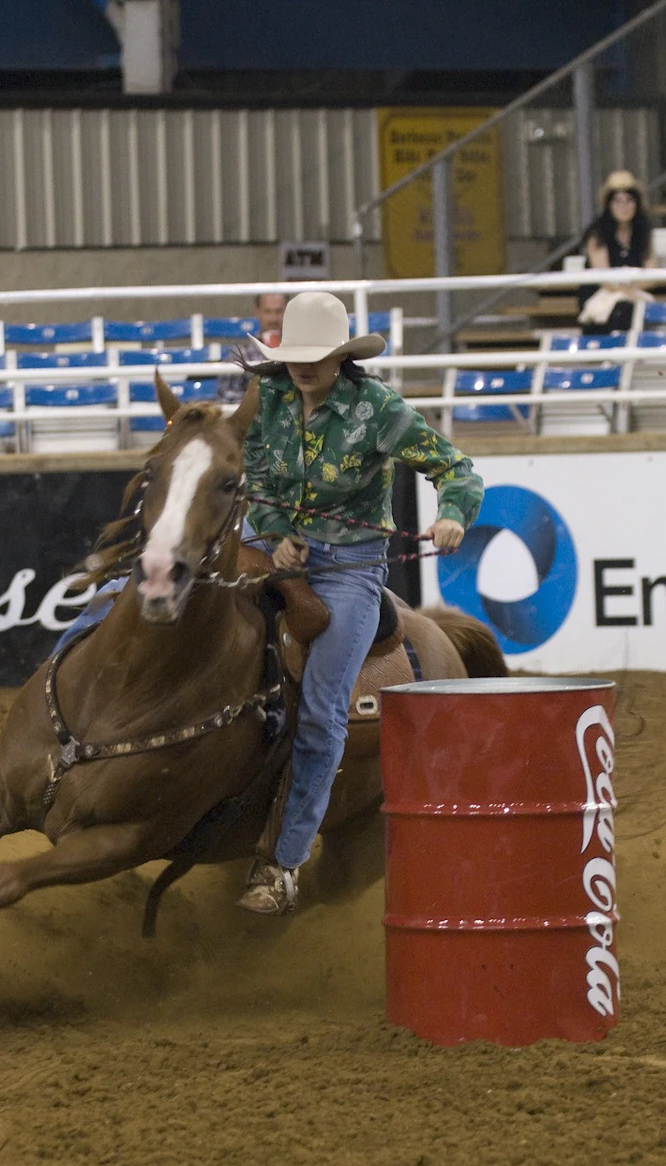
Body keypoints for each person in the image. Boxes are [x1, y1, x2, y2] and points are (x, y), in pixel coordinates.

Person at [234, 291, 482, 914]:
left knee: (321, 711)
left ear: (341, 357)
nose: (302, 366)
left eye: (316, 355)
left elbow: (455, 469)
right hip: (273, 546)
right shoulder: (270, 399)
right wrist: (274, 532)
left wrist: (452, 515)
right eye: (295, 354)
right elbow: (257, 481)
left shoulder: (378, 410)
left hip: (348, 570)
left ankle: (285, 863)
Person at [577, 170, 657, 335]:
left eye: (629, 201)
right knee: (623, 310)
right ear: (609, 205)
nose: (624, 207)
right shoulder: (597, 234)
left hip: (633, 293)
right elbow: (604, 278)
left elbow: (652, 274)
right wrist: (625, 291)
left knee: (638, 309)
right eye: (618, 201)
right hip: (602, 295)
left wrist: (632, 290)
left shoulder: (643, 233)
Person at [215, 291, 287, 402]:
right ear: (257, 312)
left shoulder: (300, 350)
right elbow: (226, 397)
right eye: (268, 312)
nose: (274, 319)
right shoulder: (240, 354)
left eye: (279, 311)